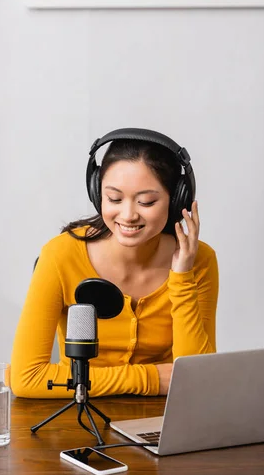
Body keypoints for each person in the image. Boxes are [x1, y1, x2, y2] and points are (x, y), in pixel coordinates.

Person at [11, 128, 219, 398]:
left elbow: (198, 380)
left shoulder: (199, 261)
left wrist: (181, 276)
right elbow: (27, 377)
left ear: (177, 198)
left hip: (161, 423)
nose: (128, 214)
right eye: (114, 199)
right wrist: (151, 379)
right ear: (98, 194)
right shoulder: (60, 256)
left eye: (146, 201)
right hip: (78, 419)